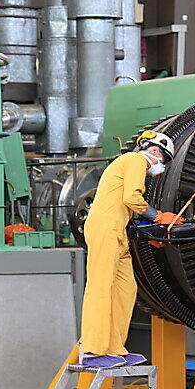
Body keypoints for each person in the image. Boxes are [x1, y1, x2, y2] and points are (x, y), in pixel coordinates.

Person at [79, 131, 185, 368]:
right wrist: (158, 216)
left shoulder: (127, 165)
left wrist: (151, 228)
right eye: (164, 161)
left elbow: (124, 205)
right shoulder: (136, 160)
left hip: (118, 233)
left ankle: (115, 349)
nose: (161, 168)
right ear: (155, 151)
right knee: (101, 288)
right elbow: (131, 198)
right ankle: (93, 351)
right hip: (105, 230)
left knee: (125, 289)